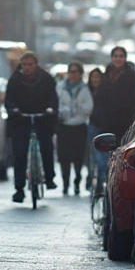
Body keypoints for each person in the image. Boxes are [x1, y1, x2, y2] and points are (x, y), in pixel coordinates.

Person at [5, 51, 59, 202]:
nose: (27, 68)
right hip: (21, 119)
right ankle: (19, 189)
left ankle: (49, 178)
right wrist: (14, 110)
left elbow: (53, 98)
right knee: (20, 153)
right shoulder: (15, 80)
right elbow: (9, 100)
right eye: (24, 65)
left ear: (36, 65)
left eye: (30, 65)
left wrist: (50, 109)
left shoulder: (47, 79)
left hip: (43, 118)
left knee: (47, 147)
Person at [91, 46, 135, 176]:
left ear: (125, 58)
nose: (118, 59)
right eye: (115, 56)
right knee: (104, 164)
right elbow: (98, 100)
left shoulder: (133, 79)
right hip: (106, 125)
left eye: (121, 56)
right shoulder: (104, 77)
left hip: (125, 126)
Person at [55, 62, 93, 196]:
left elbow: (88, 107)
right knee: (64, 157)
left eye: (76, 72)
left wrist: (78, 107)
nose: (73, 74)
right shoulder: (60, 87)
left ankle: (77, 181)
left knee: (78, 156)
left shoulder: (84, 88)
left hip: (79, 127)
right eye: (71, 71)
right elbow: (56, 104)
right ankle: (65, 183)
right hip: (64, 126)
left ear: (81, 74)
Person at [86, 67, 105, 188]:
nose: (95, 79)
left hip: (103, 124)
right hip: (92, 123)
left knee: (101, 155)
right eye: (93, 76)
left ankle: (99, 179)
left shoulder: (105, 91)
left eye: (98, 76)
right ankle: (90, 177)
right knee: (91, 153)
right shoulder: (86, 90)